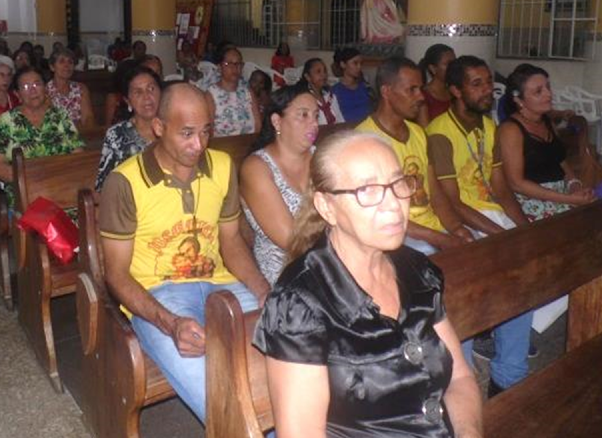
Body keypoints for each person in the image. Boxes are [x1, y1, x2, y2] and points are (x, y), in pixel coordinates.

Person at [253, 131, 482, 437]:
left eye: (398, 183)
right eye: (367, 190)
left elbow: (459, 378)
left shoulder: (416, 270)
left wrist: (469, 433)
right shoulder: (301, 302)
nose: (394, 205)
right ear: (326, 207)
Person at [99, 83, 270, 423]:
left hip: (222, 285)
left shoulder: (222, 166)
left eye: (206, 131)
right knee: (220, 401)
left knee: (279, 369)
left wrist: (263, 290)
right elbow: (115, 274)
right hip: (159, 297)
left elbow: (232, 241)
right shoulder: (125, 182)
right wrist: (171, 323)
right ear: (159, 127)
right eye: (187, 133)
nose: (199, 145)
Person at [426, 55, 531, 396]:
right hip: (461, 222)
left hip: (491, 217)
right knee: (468, 295)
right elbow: (453, 202)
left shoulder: (489, 127)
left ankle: (508, 376)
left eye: (488, 82)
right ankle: (464, 381)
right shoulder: (439, 134)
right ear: (455, 91)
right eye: (477, 84)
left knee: (525, 280)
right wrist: (500, 234)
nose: (488, 90)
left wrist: (525, 228)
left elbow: (501, 189)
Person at [356, 57, 472, 255]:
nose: (421, 97)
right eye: (412, 90)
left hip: (431, 229)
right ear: (386, 92)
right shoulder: (364, 140)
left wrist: (456, 228)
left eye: (420, 89)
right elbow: (378, 212)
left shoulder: (418, 133)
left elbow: (435, 193)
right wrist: (439, 239)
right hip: (396, 234)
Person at [241, 85, 318, 284]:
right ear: (277, 121)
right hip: (286, 275)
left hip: (330, 262)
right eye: (303, 115)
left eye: (316, 116)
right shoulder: (257, 168)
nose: (314, 124)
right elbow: (290, 240)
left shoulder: (321, 158)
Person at [498, 64, 596, 219]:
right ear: (518, 99)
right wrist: (568, 199)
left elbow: (560, 161)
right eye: (538, 91)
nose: (548, 94)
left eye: (548, 87)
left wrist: (574, 185)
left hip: (561, 195)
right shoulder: (511, 130)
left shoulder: (546, 122)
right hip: (532, 201)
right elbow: (516, 183)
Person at [0, 66, 84, 205]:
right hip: (25, 193)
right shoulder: (6, 121)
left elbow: (78, 155)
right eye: (25, 86)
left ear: (45, 88)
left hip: (63, 187)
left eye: (37, 84)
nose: (33, 90)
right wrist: (33, 180)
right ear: (17, 94)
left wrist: (61, 180)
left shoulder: (61, 116)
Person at [95, 66, 161, 191]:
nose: (147, 97)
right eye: (138, 92)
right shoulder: (116, 135)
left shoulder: (174, 128)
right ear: (128, 101)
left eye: (151, 89)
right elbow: (104, 187)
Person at [205, 47, 261, 136]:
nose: (234, 68)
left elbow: (258, 125)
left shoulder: (248, 93)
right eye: (228, 63)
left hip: (248, 142)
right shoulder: (211, 95)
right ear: (220, 67)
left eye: (238, 64)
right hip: (222, 143)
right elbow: (209, 129)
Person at [47, 48, 95, 127]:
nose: (67, 65)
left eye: (70, 62)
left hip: (82, 132)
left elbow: (88, 118)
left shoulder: (81, 89)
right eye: (62, 61)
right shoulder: (45, 91)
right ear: (52, 67)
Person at [418, 44, 456, 127]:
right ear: (433, 68)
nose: (454, 67)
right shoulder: (422, 96)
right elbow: (426, 130)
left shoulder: (455, 92)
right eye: (448, 64)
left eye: (455, 63)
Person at [297, 58, 344, 125]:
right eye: (318, 72)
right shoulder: (305, 100)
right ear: (307, 77)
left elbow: (340, 120)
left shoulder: (330, 97)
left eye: (325, 71)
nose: (323, 75)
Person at [331, 48, 372, 123]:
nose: (359, 67)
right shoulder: (335, 91)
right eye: (355, 63)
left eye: (361, 63)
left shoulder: (365, 87)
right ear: (343, 64)